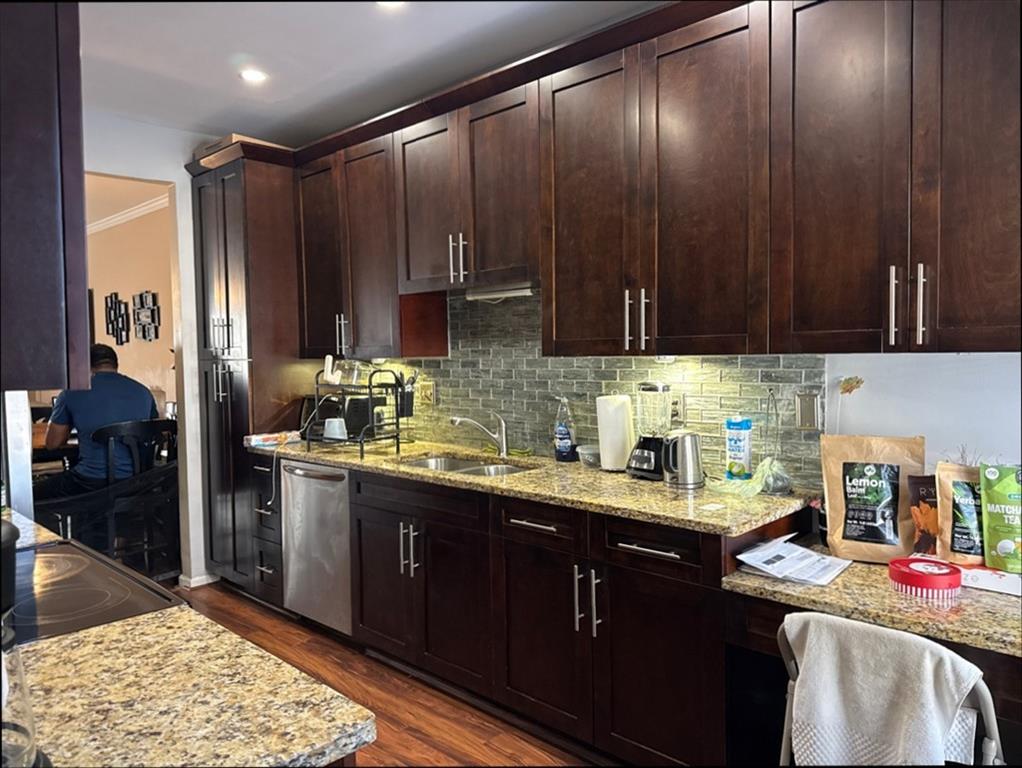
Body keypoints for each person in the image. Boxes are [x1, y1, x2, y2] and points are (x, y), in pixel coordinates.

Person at [34, 344, 158, 500]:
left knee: (33, 495)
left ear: (87, 366)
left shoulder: (71, 393)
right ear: (116, 365)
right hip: (137, 481)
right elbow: (153, 431)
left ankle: (76, 523)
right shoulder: (144, 392)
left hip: (89, 481)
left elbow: (52, 443)